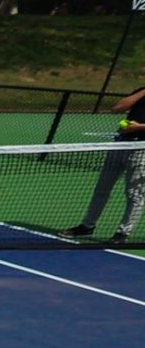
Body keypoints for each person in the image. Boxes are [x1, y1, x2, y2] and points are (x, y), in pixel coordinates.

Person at [62, 83, 145, 244]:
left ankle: (123, 233)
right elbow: (117, 108)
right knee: (101, 188)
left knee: (134, 194)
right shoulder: (141, 91)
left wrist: (138, 127)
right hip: (120, 145)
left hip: (141, 149)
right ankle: (87, 226)